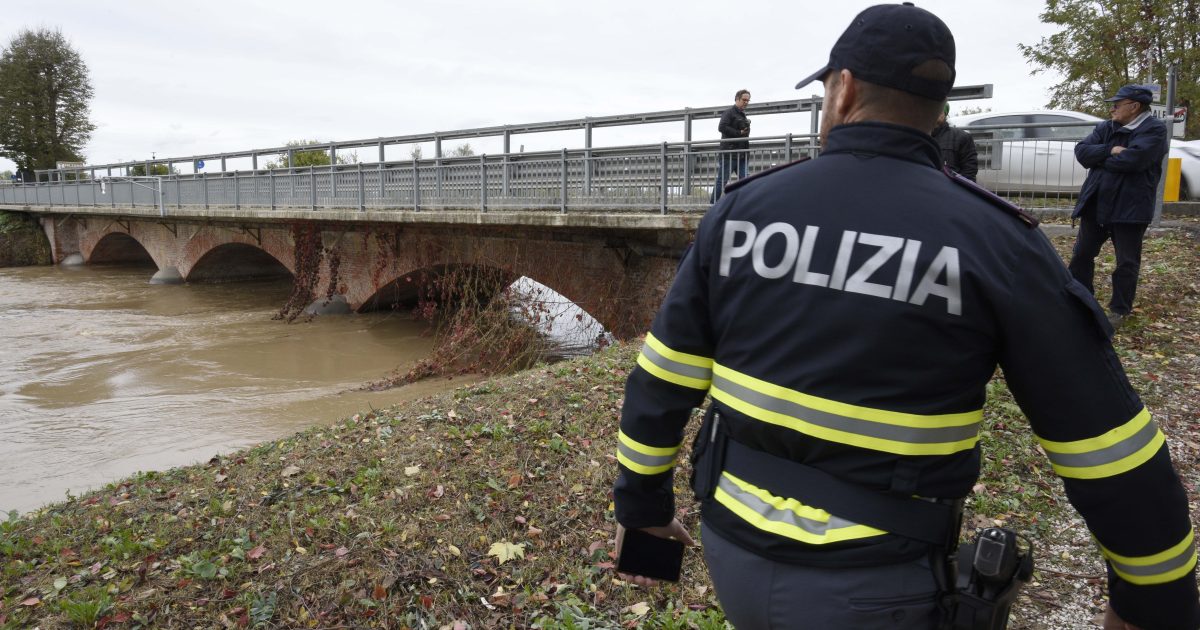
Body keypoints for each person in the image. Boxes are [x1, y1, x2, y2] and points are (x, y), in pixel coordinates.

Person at [613, 4, 1199, 629]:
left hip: (731, 552)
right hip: (879, 583)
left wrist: (642, 511)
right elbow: (1107, 445)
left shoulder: (742, 212)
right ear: (938, 112)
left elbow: (661, 381)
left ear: (844, 90)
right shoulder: (994, 240)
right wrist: (1153, 601)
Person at [1067, 84, 1169, 329]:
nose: (1112, 108)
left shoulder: (1154, 130)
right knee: (1081, 255)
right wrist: (1110, 150)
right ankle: (1082, 300)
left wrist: (1101, 159)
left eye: (1117, 104)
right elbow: (1082, 153)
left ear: (1134, 107)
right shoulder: (1106, 127)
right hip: (1096, 204)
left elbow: (1134, 160)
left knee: (1126, 262)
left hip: (1130, 209)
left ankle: (1119, 309)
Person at [711, 90, 751, 203]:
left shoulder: (743, 115)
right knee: (722, 181)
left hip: (742, 155)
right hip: (729, 154)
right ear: (737, 99)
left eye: (748, 100)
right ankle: (712, 206)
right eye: (744, 100)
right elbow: (721, 127)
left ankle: (744, 205)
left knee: (746, 181)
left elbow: (744, 134)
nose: (746, 102)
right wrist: (739, 133)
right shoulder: (729, 112)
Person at [932, 102, 978, 181]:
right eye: (934, 109)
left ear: (945, 114)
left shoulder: (962, 137)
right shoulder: (919, 136)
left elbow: (970, 170)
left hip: (950, 188)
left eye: (941, 110)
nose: (937, 113)